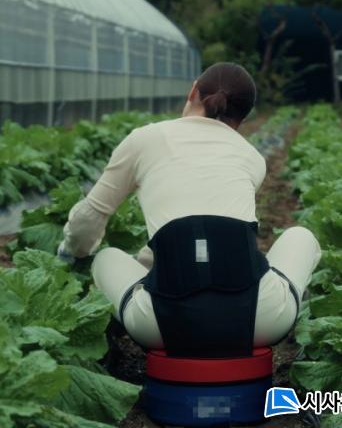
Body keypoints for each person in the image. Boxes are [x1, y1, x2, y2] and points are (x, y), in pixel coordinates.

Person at [58, 62, 321, 357]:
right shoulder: (252, 158)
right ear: (243, 117)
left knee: (105, 258)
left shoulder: (143, 140)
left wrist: (70, 253)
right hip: (259, 322)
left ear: (193, 90)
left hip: (159, 326)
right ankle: (300, 339)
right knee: (301, 237)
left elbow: (88, 220)